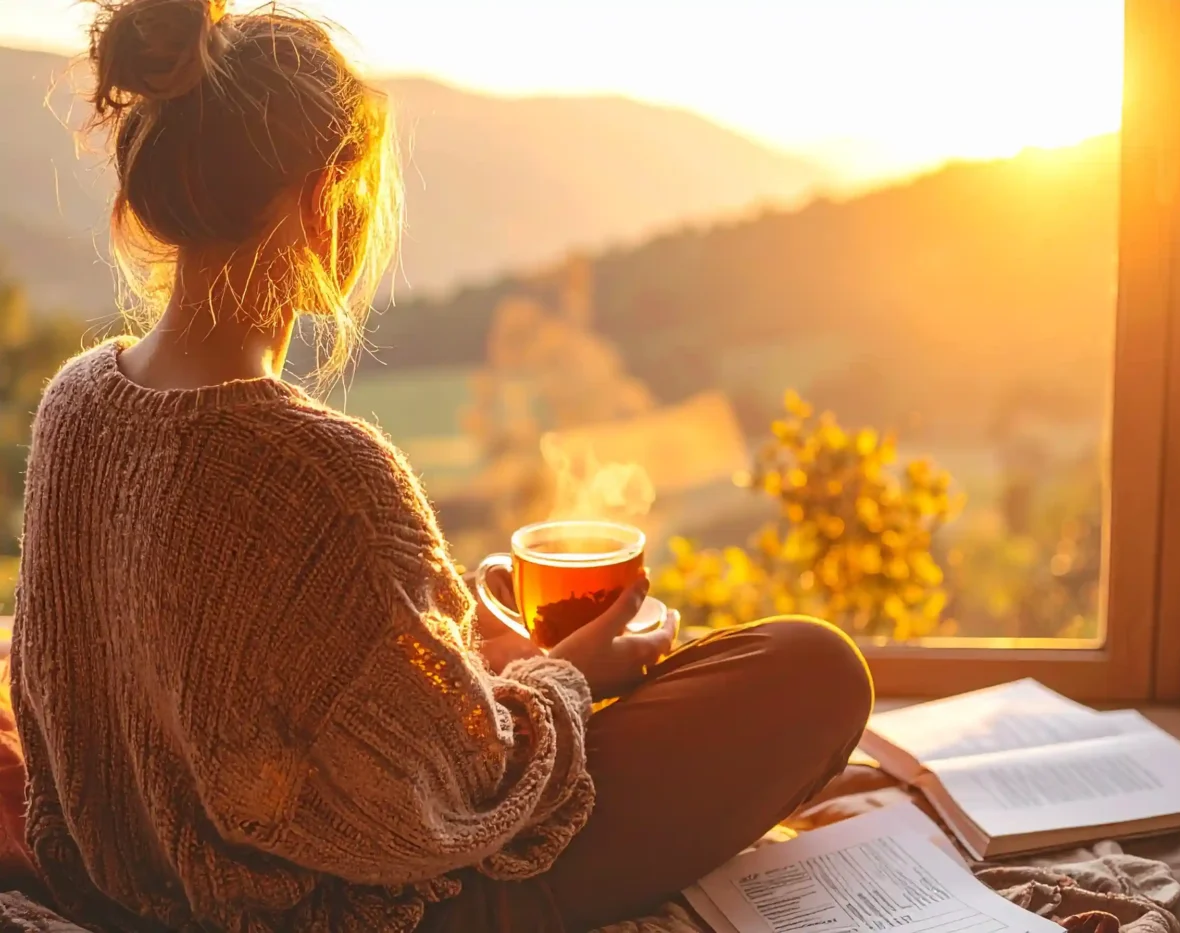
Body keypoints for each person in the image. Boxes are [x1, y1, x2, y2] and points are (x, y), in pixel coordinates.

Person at [11, 1, 874, 931]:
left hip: (128, 876)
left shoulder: (74, 406)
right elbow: (456, 800)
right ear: (323, 200)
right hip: (369, 908)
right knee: (814, 667)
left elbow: (205, 685)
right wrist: (564, 673)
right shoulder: (325, 473)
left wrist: (462, 656)